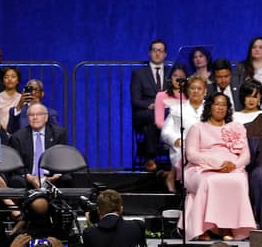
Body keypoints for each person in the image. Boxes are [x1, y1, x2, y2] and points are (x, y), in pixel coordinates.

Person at [182, 92, 256, 240]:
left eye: (224, 105)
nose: (220, 108)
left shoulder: (237, 127)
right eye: (217, 104)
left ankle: (227, 227)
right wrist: (217, 164)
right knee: (210, 182)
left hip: (233, 168)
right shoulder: (197, 128)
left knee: (239, 182)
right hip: (201, 168)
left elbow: (246, 156)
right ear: (210, 106)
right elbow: (191, 155)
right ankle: (204, 228)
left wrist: (232, 166)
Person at [161, 76, 208, 192]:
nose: (196, 91)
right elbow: (165, 131)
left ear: (205, 91)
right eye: (193, 88)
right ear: (187, 90)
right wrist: (175, 139)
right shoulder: (177, 109)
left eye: (199, 88)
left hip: (207, 147)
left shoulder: (211, 108)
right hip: (183, 147)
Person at [130, 39, 171, 171]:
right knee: (151, 117)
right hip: (146, 112)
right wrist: (152, 105)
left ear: (165, 54)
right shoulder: (139, 74)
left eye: (161, 51)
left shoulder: (172, 72)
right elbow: (135, 100)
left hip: (168, 112)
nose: (157, 53)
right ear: (149, 53)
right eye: (154, 50)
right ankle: (150, 158)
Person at [8, 103, 70, 189]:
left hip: (52, 176)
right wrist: (29, 177)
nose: (35, 117)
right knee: (16, 180)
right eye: (31, 115)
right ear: (27, 118)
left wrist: (56, 176)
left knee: (66, 179)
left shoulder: (58, 133)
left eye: (39, 114)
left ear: (46, 117)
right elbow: (16, 164)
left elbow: (62, 158)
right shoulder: (18, 137)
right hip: (29, 176)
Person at [82, 188, 148, 247]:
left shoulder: (89, 233)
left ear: (98, 210)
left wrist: (90, 226)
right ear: (121, 209)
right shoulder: (138, 226)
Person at [0, 66, 22, 131]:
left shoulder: (22, 98)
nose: (9, 79)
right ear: (2, 80)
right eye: (6, 77)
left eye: (13, 77)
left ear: (18, 81)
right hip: (0, 133)